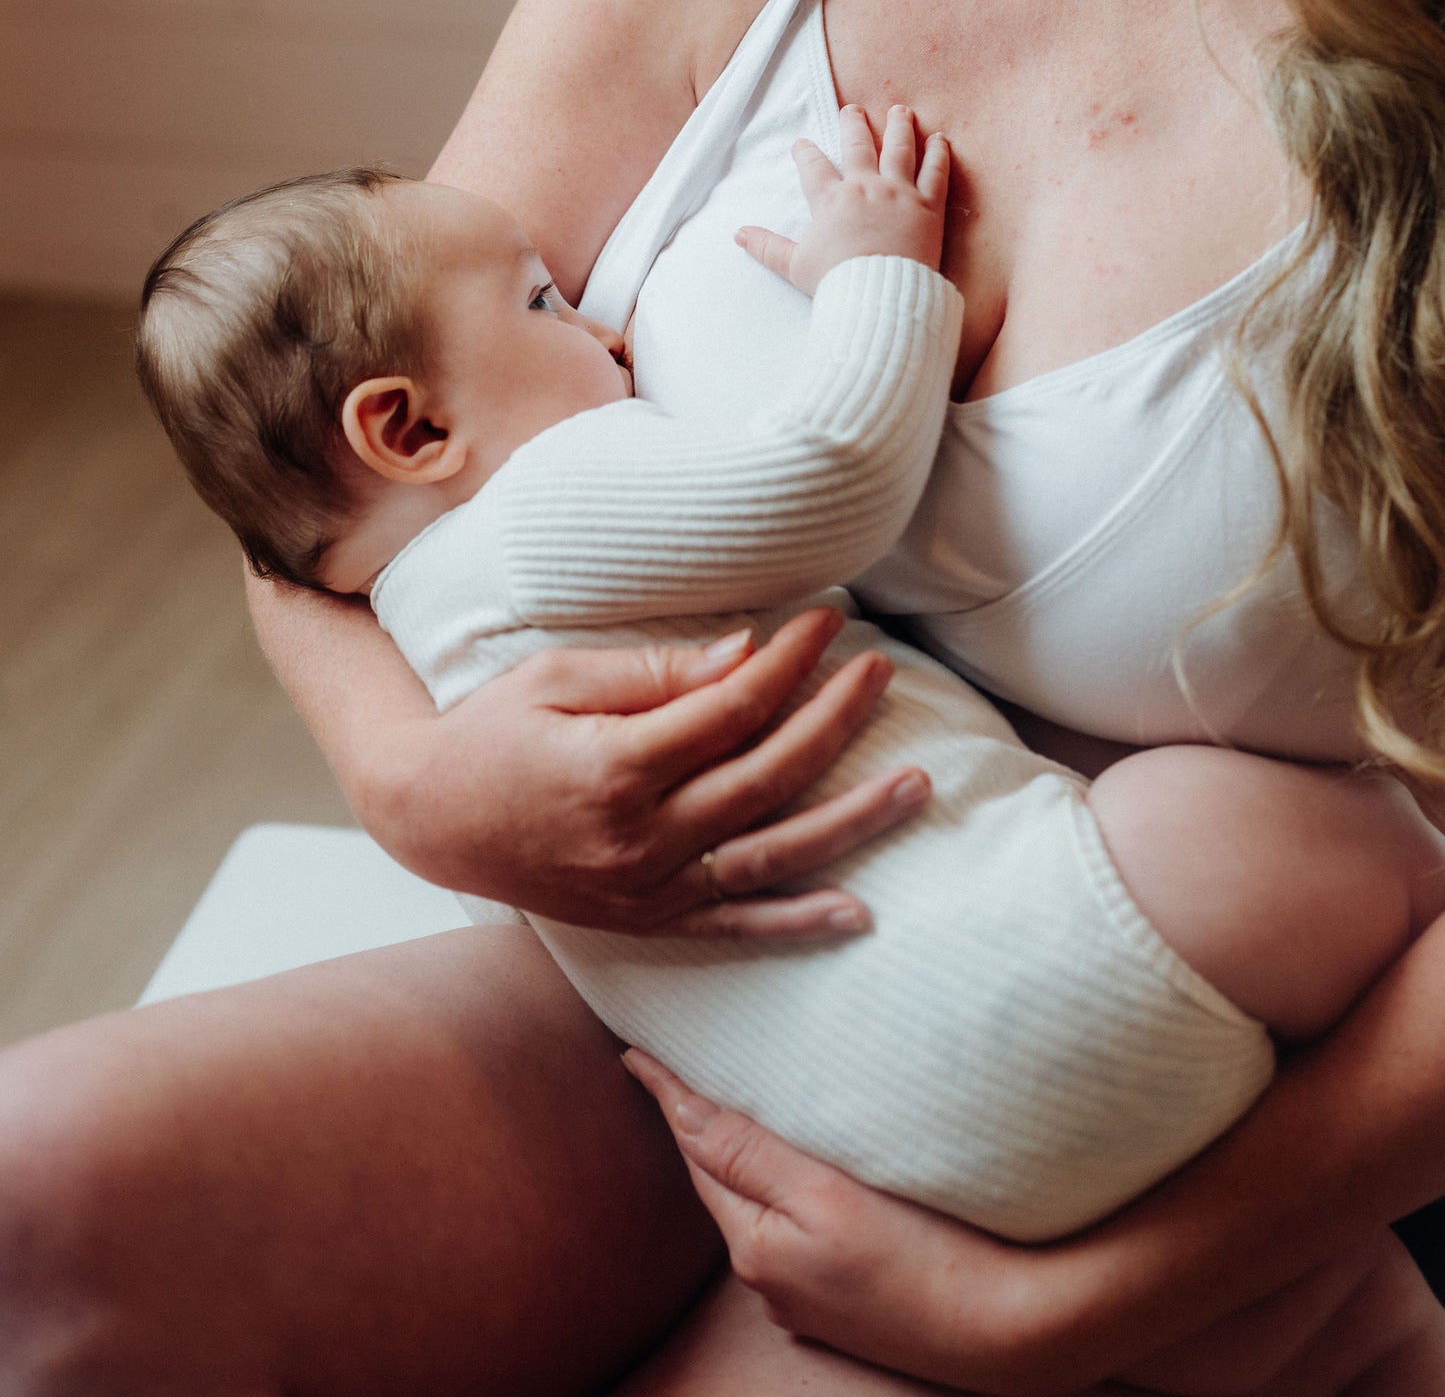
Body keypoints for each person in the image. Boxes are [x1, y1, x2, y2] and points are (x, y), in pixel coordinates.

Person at [3, 0, 1445, 1387]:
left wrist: (1069, 1303)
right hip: (697, 978)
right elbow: (325, 466)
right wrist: (419, 784)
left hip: (1139, 1075)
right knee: (34, 1215)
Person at [134, 144, 1445, 1254]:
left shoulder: (429, 643)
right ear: (409, 433)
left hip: (910, 1149)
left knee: (1315, 1340)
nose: (603, 329)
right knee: (1269, 815)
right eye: (542, 309)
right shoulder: (534, 512)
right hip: (1057, 975)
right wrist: (876, 274)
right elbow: (824, 480)